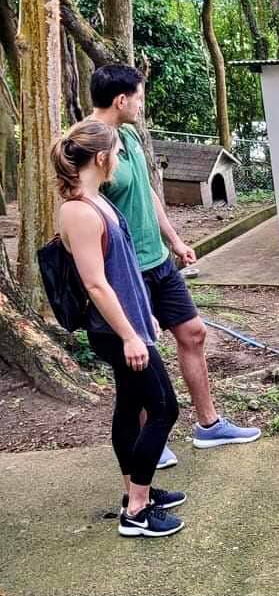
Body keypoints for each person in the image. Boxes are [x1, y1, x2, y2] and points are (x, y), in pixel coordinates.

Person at [89, 64, 260, 458]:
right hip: (125, 273)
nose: (140, 105)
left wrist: (176, 241)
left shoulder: (128, 135)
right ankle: (150, 440)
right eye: (139, 98)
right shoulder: (90, 145)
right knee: (139, 358)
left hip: (160, 263)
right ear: (121, 100)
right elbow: (85, 209)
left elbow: (147, 195)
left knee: (193, 333)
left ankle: (210, 425)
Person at [52, 119, 186, 537]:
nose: (120, 160)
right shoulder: (78, 211)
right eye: (118, 154)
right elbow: (94, 283)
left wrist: (144, 316)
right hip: (114, 332)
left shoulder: (97, 201)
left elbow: (124, 270)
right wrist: (129, 335)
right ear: (102, 157)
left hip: (129, 323)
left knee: (130, 406)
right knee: (164, 409)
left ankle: (135, 492)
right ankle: (137, 512)